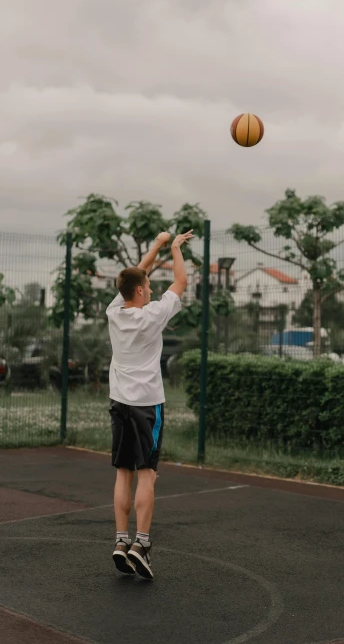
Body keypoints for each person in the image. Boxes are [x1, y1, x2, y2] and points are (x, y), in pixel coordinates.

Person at [106, 229, 193, 579]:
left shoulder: (115, 311)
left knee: (123, 473)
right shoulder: (153, 314)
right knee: (147, 474)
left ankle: (120, 540)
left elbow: (136, 275)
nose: (153, 289)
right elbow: (182, 281)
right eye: (148, 286)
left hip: (120, 403)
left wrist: (155, 246)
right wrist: (173, 248)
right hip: (146, 405)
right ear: (140, 291)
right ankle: (141, 544)